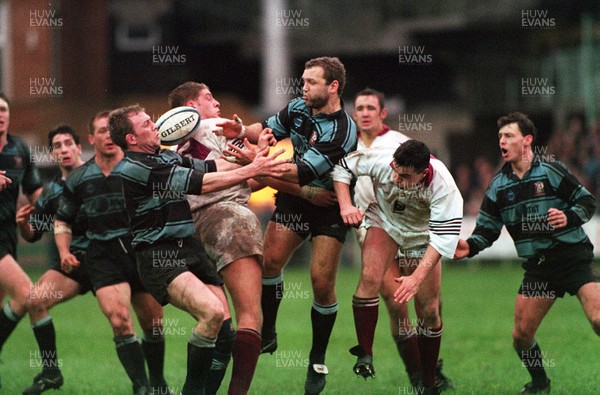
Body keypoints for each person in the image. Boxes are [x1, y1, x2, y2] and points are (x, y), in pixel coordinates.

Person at [109, 104, 289, 394]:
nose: (154, 125)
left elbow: (212, 167)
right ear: (131, 139)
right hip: (158, 255)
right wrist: (253, 168)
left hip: (189, 248)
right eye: (146, 124)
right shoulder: (133, 169)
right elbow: (201, 183)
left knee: (225, 333)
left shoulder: (165, 156)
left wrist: (257, 159)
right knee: (212, 314)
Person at [218, 56, 357, 394]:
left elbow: (296, 172)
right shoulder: (298, 106)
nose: (304, 88)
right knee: (270, 262)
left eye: (311, 83)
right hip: (297, 199)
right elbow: (265, 129)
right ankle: (268, 333)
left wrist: (254, 161)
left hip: (329, 205)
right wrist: (243, 131)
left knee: (321, 283)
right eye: (303, 81)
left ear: (333, 86)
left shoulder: (342, 130)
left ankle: (317, 360)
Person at [454, 112, 600, 394]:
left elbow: (586, 202)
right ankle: (540, 383)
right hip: (539, 267)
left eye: (508, 135)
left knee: (597, 320)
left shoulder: (550, 170)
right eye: (500, 137)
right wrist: (470, 246)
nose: (502, 141)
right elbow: (487, 229)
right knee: (521, 336)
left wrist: (568, 217)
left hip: (572, 256)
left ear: (527, 140)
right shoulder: (498, 186)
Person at [168, 81, 277, 394]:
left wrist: (256, 157)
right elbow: (257, 138)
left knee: (220, 325)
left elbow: (248, 182)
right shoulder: (210, 125)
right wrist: (261, 137)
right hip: (227, 220)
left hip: (191, 230)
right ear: (190, 109)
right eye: (207, 97)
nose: (215, 102)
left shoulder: (181, 145)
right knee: (250, 316)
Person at [333, 139, 463, 395]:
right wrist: (345, 205)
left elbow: (441, 241)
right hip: (385, 222)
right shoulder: (382, 159)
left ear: (424, 173)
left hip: (421, 236)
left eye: (404, 176)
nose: (395, 178)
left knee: (429, 311)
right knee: (369, 277)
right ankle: (365, 354)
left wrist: (415, 277)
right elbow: (342, 167)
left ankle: (427, 383)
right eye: (395, 169)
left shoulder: (445, 188)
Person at [54, 111, 168, 395]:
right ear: (92, 139)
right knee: (119, 320)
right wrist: (64, 251)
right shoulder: (79, 178)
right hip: (103, 255)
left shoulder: (137, 168)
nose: (107, 136)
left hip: (139, 250)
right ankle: (141, 387)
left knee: (153, 325)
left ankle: (157, 382)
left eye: (111, 131)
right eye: (101, 132)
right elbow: (62, 220)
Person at [350, 88, 453, 391]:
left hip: (411, 231)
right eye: (360, 108)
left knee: (428, 306)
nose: (365, 113)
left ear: (382, 113)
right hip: (372, 231)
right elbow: (339, 176)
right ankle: (417, 377)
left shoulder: (397, 144)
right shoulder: (347, 145)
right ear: (354, 114)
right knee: (395, 304)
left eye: (371, 107)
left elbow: (430, 178)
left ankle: (432, 368)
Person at [15, 124, 92, 394]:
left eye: (68, 143)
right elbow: (35, 233)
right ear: (53, 154)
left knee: (127, 319)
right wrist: (23, 224)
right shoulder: (51, 191)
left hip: (112, 260)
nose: (63, 149)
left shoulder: (98, 173)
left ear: (79, 147)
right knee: (35, 299)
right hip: (73, 263)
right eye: (57, 146)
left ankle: (151, 384)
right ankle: (51, 371)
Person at [0, 93, 43, 389]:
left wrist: (54, 203)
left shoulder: (19, 149)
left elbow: (35, 191)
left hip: (7, 236)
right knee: (26, 293)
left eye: (3, 109)